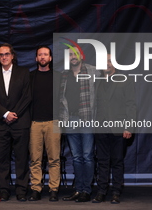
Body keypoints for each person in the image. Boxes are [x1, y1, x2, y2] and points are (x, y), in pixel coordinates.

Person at [0, 43, 31, 201]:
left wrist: (14, 114)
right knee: (1, 158)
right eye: (1, 55)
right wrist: (5, 114)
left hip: (20, 122)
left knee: (21, 158)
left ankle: (21, 190)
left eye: (6, 54)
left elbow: (27, 96)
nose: (4, 57)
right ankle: (4, 189)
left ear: (13, 56)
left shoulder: (24, 72)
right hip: (0, 123)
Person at [92, 53, 136, 204]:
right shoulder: (97, 81)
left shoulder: (125, 80)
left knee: (117, 161)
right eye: (105, 61)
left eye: (110, 61)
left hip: (118, 129)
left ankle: (116, 192)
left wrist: (129, 127)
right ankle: (101, 191)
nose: (107, 64)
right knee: (102, 162)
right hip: (101, 129)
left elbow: (131, 105)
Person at [60, 46, 98, 202]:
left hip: (87, 119)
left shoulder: (92, 71)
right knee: (76, 158)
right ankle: (78, 189)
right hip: (70, 120)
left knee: (88, 156)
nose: (72, 57)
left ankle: (87, 190)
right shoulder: (64, 75)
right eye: (69, 55)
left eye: (75, 54)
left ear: (81, 55)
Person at [28, 46, 61, 201]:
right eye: (40, 54)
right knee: (35, 159)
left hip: (53, 122)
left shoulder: (59, 77)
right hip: (35, 123)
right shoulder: (30, 77)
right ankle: (36, 188)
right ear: (36, 58)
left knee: (54, 158)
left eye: (45, 54)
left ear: (50, 58)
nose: (42, 57)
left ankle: (53, 189)